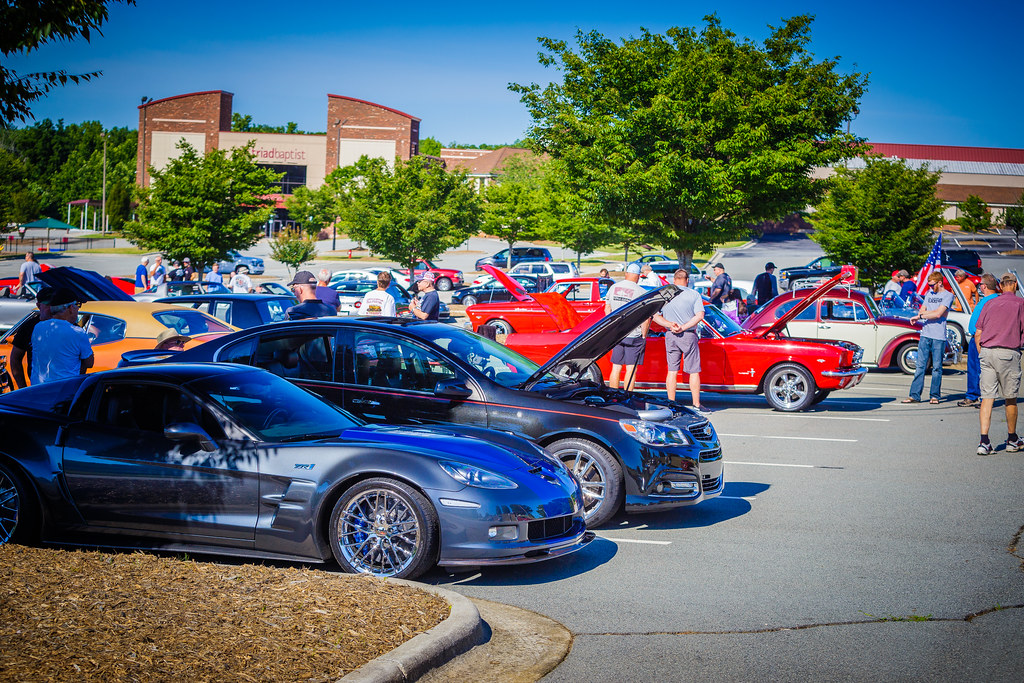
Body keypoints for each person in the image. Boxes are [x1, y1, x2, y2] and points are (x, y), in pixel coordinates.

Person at [974, 273, 1024, 455]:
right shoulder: (1020, 304)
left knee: (987, 397)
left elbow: (978, 332)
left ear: (1001, 286)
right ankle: (1012, 438)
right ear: (1015, 285)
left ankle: (984, 441)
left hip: (987, 352)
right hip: (1007, 352)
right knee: (1010, 397)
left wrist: (982, 354)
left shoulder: (989, 303)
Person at [652, 269, 711, 414]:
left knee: (672, 370)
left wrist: (669, 324)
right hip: (688, 335)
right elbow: (700, 315)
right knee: (694, 371)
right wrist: (684, 326)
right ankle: (696, 404)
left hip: (670, 335)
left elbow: (654, 315)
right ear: (687, 280)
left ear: (674, 280)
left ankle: (671, 403)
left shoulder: (666, 294)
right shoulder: (693, 294)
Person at [902, 271, 953, 404]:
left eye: (932, 285)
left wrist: (922, 315)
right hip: (925, 334)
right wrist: (927, 313)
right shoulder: (929, 294)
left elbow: (939, 314)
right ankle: (914, 395)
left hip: (938, 336)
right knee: (920, 366)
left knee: (936, 367)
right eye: (929, 285)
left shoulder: (948, 295)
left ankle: (935, 395)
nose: (930, 287)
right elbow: (923, 310)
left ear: (939, 282)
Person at [30, 288, 93, 384]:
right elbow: (89, 363)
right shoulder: (77, 332)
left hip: (38, 389)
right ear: (71, 308)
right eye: (77, 305)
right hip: (64, 390)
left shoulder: (38, 327)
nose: (78, 309)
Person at [604, 263, 649, 390]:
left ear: (626, 274)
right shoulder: (641, 292)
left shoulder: (613, 287)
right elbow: (646, 317)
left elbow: (607, 308)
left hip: (617, 334)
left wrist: (612, 326)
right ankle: (627, 396)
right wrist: (644, 335)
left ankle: (613, 395)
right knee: (631, 369)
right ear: (639, 277)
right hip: (633, 335)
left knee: (616, 367)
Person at [959, 273, 1000, 408]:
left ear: (984, 286)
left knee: (983, 369)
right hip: (975, 337)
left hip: (982, 338)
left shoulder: (992, 301)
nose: (979, 287)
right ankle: (973, 395)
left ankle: (984, 397)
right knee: (973, 367)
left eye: (980, 284)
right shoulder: (985, 300)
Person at [9, 286, 54, 389]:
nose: (51, 308)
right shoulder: (28, 327)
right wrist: (22, 388)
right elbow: (15, 358)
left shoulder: (69, 326)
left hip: (64, 387)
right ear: (38, 305)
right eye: (47, 304)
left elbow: (84, 359)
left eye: (55, 304)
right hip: (38, 387)